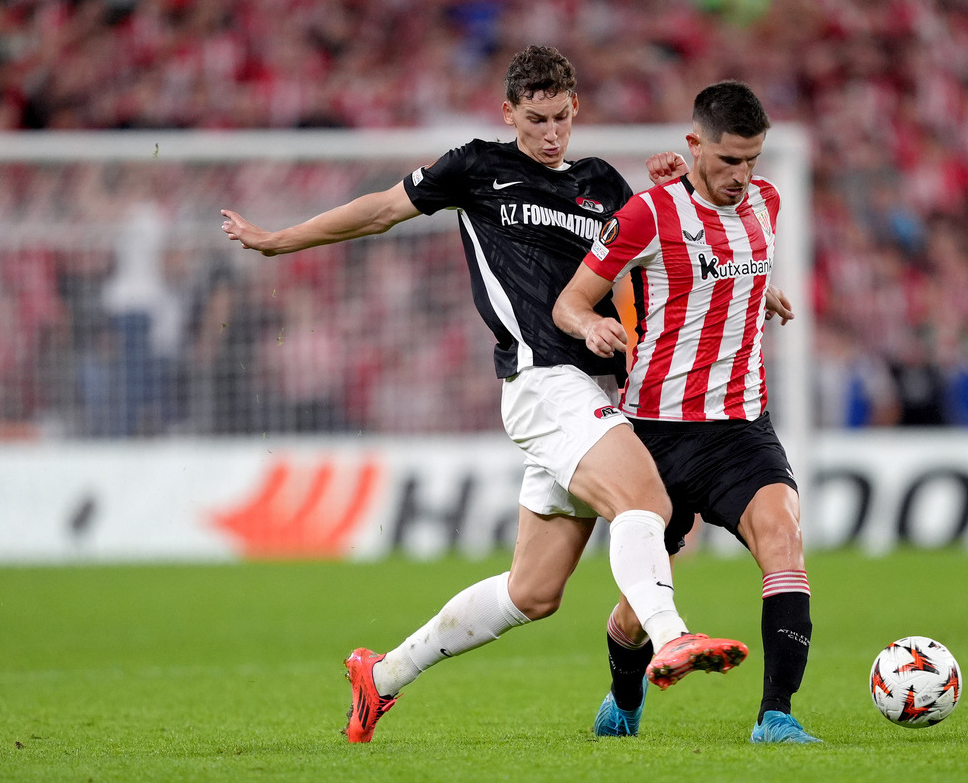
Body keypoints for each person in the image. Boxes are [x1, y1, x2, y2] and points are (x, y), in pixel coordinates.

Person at [219, 45, 747, 744]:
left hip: (590, 391)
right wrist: (280, 240)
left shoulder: (600, 184)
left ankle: (378, 677)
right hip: (540, 381)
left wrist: (682, 198)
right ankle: (672, 637)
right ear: (509, 113)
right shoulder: (476, 167)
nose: (551, 132)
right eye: (535, 119)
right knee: (645, 501)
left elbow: (664, 250)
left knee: (533, 592)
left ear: (575, 109)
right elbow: (380, 210)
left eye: (561, 117)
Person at [553, 80, 820, 744]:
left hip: (740, 427)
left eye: (752, 159)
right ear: (694, 144)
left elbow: (730, 266)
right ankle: (624, 698)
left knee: (784, 538)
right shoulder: (647, 214)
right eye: (728, 160)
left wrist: (767, 294)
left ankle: (776, 715)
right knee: (640, 607)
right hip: (656, 434)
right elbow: (571, 301)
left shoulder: (768, 201)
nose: (742, 175)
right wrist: (591, 328)